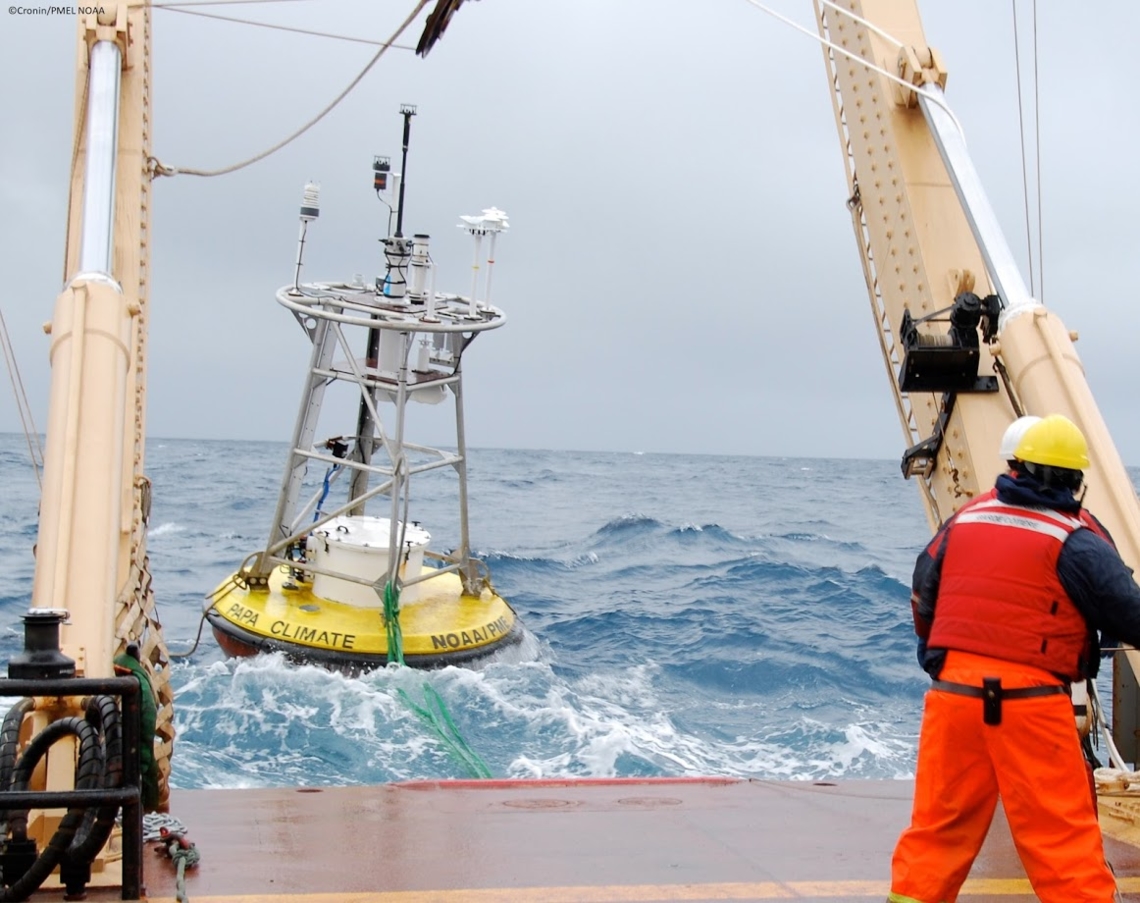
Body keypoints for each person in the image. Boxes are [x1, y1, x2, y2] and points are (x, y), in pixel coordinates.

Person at [889, 413, 1140, 903]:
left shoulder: (965, 520)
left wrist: (937, 660)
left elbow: (923, 594)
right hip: (1029, 705)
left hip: (953, 701)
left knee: (936, 834)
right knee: (1061, 843)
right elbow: (1129, 613)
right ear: (1076, 480)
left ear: (1016, 466)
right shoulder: (1077, 539)